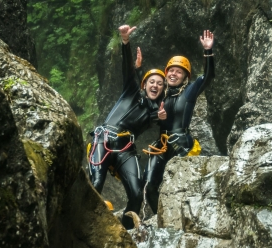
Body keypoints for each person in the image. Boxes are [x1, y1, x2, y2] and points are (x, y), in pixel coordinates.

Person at [89, 25, 166, 229]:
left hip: (126, 150)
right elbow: (128, 70)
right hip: (104, 139)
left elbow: (173, 118)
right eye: (152, 81)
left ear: (162, 90)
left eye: (160, 83)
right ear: (144, 84)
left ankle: (125, 232)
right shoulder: (132, 91)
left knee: (136, 193)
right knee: (96, 184)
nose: (155, 85)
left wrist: (164, 118)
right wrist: (125, 41)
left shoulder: (156, 113)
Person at [144, 30, 215, 213]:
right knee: (149, 187)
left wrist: (208, 51)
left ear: (185, 77)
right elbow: (144, 107)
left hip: (181, 143)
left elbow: (207, 76)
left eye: (179, 72)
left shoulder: (189, 92)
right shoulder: (160, 93)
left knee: (182, 188)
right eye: (171, 71)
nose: (174, 74)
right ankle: (163, 219)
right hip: (161, 145)